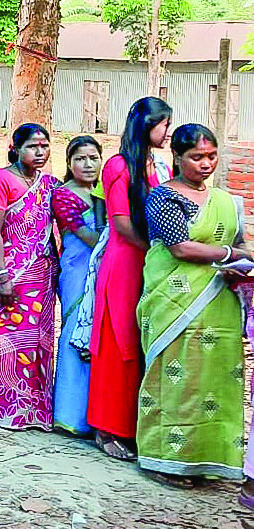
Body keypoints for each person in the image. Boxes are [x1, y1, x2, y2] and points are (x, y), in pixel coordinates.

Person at [139, 124, 247, 487]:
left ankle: (207, 458)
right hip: (173, 301)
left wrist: (239, 267)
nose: (205, 164)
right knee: (175, 379)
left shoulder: (226, 201)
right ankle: (163, 459)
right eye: (196, 157)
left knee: (213, 380)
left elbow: (239, 243)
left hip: (218, 301)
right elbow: (180, 248)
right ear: (178, 158)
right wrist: (232, 254)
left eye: (211, 156)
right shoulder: (164, 197)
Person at [88, 96, 172, 460]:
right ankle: (107, 429)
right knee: (117, 344)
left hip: (153, 259)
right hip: (126, 260)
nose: (167, 131)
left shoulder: (161, 166)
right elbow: (121, 222)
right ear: (146, 125)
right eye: (163, 124)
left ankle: (136, 427)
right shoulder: (119, 166)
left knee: (142, 343)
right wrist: (153, 250)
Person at [0, 124, 58, 431]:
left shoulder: (49, 184)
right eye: (32, 146)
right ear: (16, 148)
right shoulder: (1, 179)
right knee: (5, 341)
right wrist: (2, 277)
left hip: (41, 277)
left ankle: (33, 411)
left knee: (38, 342)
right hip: (10, 273)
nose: (39, 152)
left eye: (44, 146)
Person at [51, 135, 104, 436]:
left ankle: (98, 413)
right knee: (74, 333)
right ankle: (70, 415)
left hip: (106, 270)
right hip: (78, 269)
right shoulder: (64, 194)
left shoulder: (106, 191)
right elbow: (88, 237)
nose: (88, 164)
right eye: (80, 159)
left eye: (93, 158)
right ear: (70, 163)